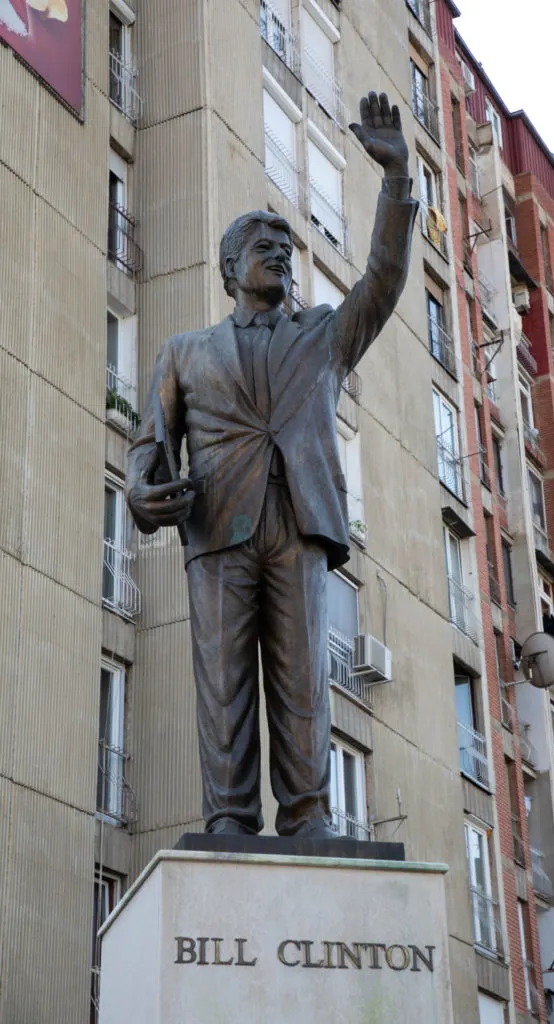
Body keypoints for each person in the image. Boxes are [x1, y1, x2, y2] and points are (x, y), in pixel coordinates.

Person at [126, 92, 417, 839]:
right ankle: (227, 816)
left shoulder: (324, 335)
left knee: (301, 683)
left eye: (286, 247)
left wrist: (395, 182)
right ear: (230, 267)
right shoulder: (185, 351)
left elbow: (381, 281)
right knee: (221, 685)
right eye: (265, 245)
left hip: (298, 523)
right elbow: (148, 447)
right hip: (217, 524)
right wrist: (139, 491)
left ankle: (310, 815)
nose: (281, 254)